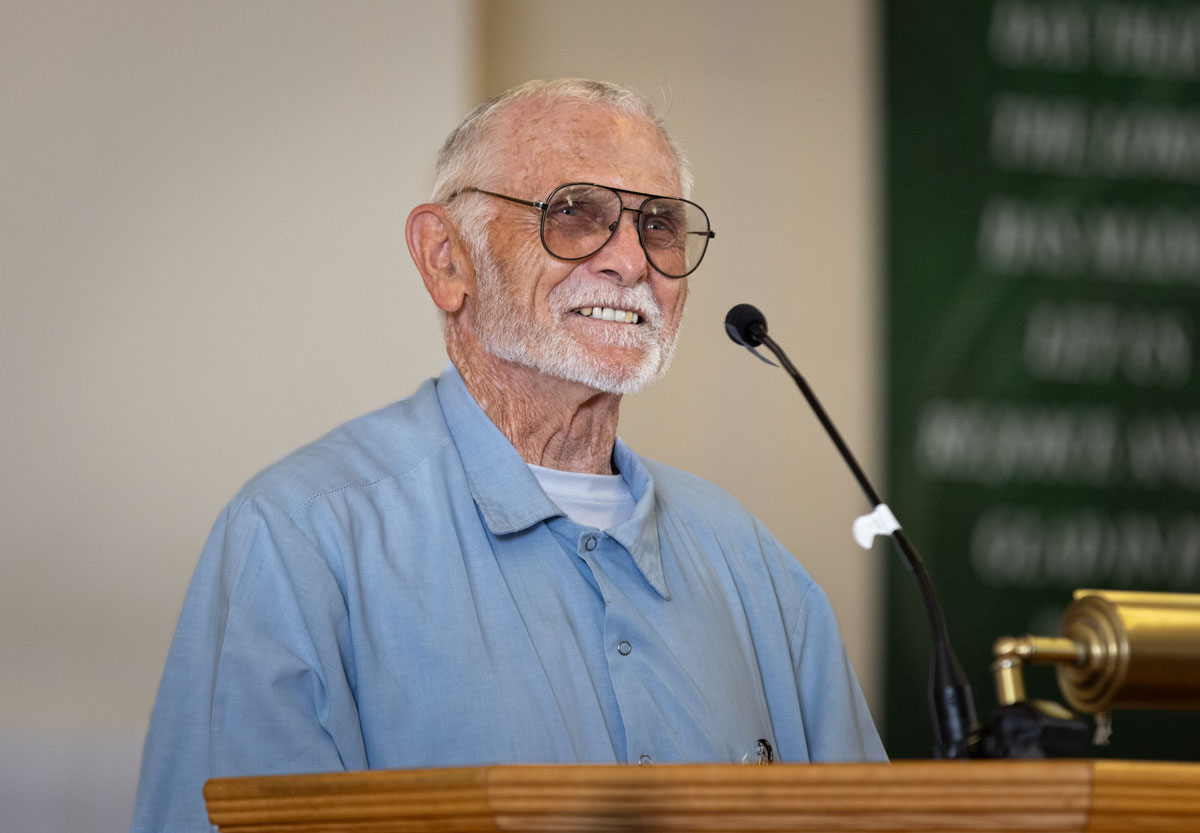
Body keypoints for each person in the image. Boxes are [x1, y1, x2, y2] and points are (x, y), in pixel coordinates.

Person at [130, 78, 885, 833]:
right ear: (445, 259)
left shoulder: (753, 565)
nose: (630, 261)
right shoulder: (299, 539)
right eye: (573, 212)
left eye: (658, 224)